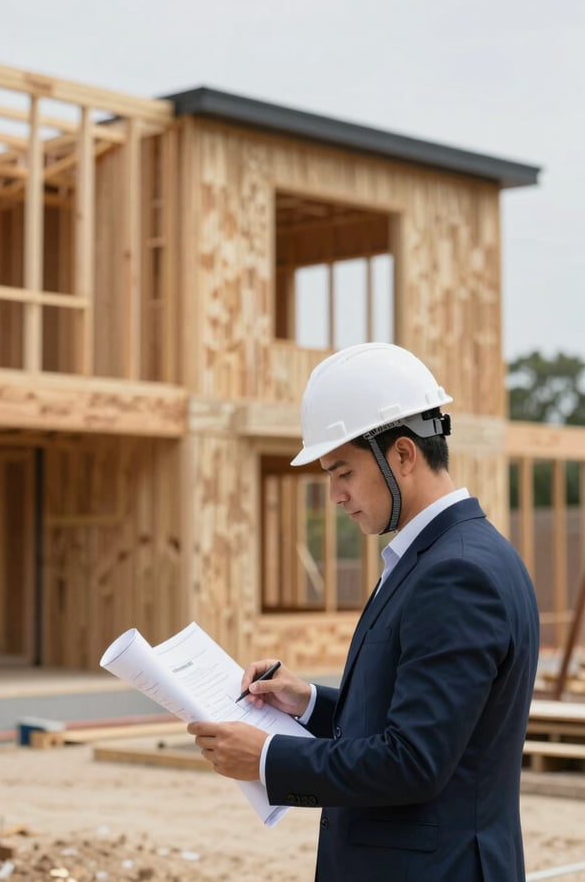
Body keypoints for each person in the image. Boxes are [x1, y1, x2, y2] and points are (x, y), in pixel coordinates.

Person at [188, 342, 540, 881]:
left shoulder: (455, 574)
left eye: (343, 472)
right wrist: (307, 703)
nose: (335, 494)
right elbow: (422, 718)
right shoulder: (444, 557)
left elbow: (413, 761)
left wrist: (266, 757)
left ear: (403, 455)